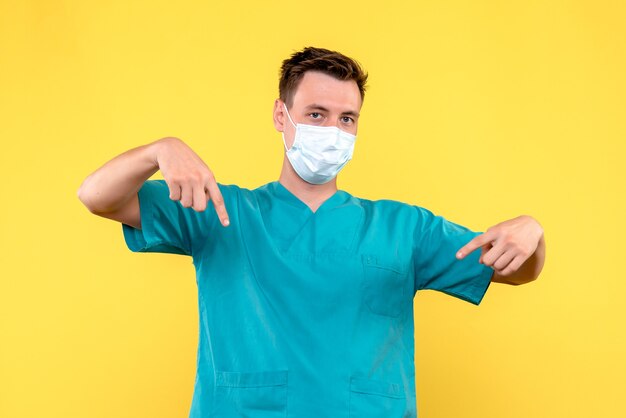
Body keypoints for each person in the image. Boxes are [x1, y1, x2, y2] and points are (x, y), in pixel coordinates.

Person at [78, 46, 546, 418]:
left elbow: (515, 270)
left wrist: (533, 233)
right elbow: (97, 196)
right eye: (316, 114)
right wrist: (159, 151)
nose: (333, 131)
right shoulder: (222, 210)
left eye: (347, 119)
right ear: (282, 116)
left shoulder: (404, 229)